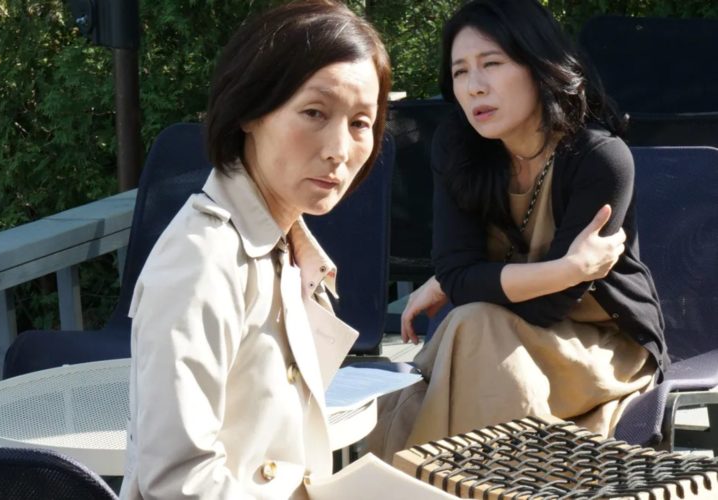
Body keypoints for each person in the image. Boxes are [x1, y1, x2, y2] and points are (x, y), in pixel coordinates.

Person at [370, 0, 667, 461]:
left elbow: (548, 305)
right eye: (460, 72)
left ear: (539, 65)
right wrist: (567, 268)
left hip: (597, 345)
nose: (474, 86)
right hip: (495, 332)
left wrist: (466, 281)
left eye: (491, 64)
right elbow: (457, 274)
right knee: (469, 329)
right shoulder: (458, 147)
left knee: (470, 325)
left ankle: (433, 479)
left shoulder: (599, 158)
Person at [118, 2, 391, 498]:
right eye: (314, 113)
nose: (338, 149)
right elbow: (177, 479)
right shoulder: (201, 259)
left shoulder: (286, 244)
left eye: (360, 122)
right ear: (250, 110)